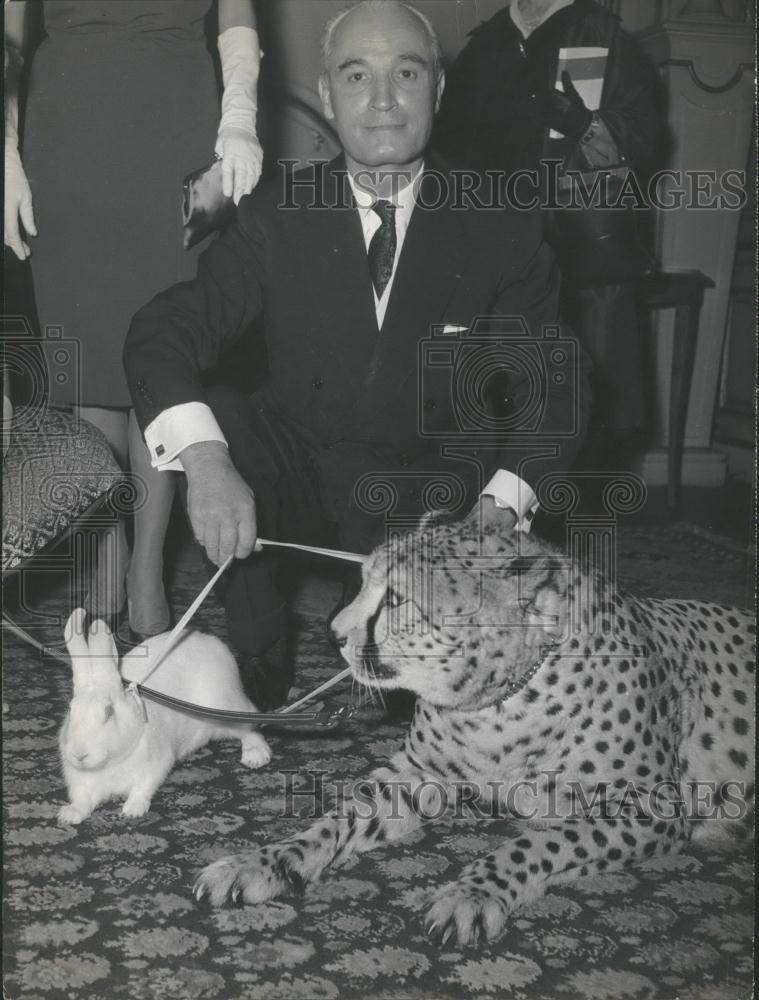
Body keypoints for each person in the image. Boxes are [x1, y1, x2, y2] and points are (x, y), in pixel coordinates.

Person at [124, 0, 592, 710]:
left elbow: (552, 386)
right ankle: (258, 647)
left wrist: (501, 506)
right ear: (326, 95)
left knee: (399, 704)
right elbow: (163, 330)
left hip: (423, 482)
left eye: (405, 72)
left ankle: (391, 638)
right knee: (221, 415)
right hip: (300, 464)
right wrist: (206, 462)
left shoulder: (502, 222)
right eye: (355, 75)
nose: (380, 100)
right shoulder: (274, 211)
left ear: (436, 91)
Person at [3, 0, 264, 637]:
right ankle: (106, 551)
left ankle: (145, 569)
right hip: (66, 128)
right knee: (92, 355)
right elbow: (8, 36)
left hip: (172, 118)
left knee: (158, 352)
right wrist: (4, 145)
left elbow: (236, 16)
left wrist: (240, 116)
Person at [433, 0, 663, 465]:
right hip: (493, 254)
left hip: (577, 257)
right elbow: (448, 151)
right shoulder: (486, 44)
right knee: (490, 405)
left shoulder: (601, 35)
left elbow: (648, 139)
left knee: (578, 414)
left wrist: (583, 125)